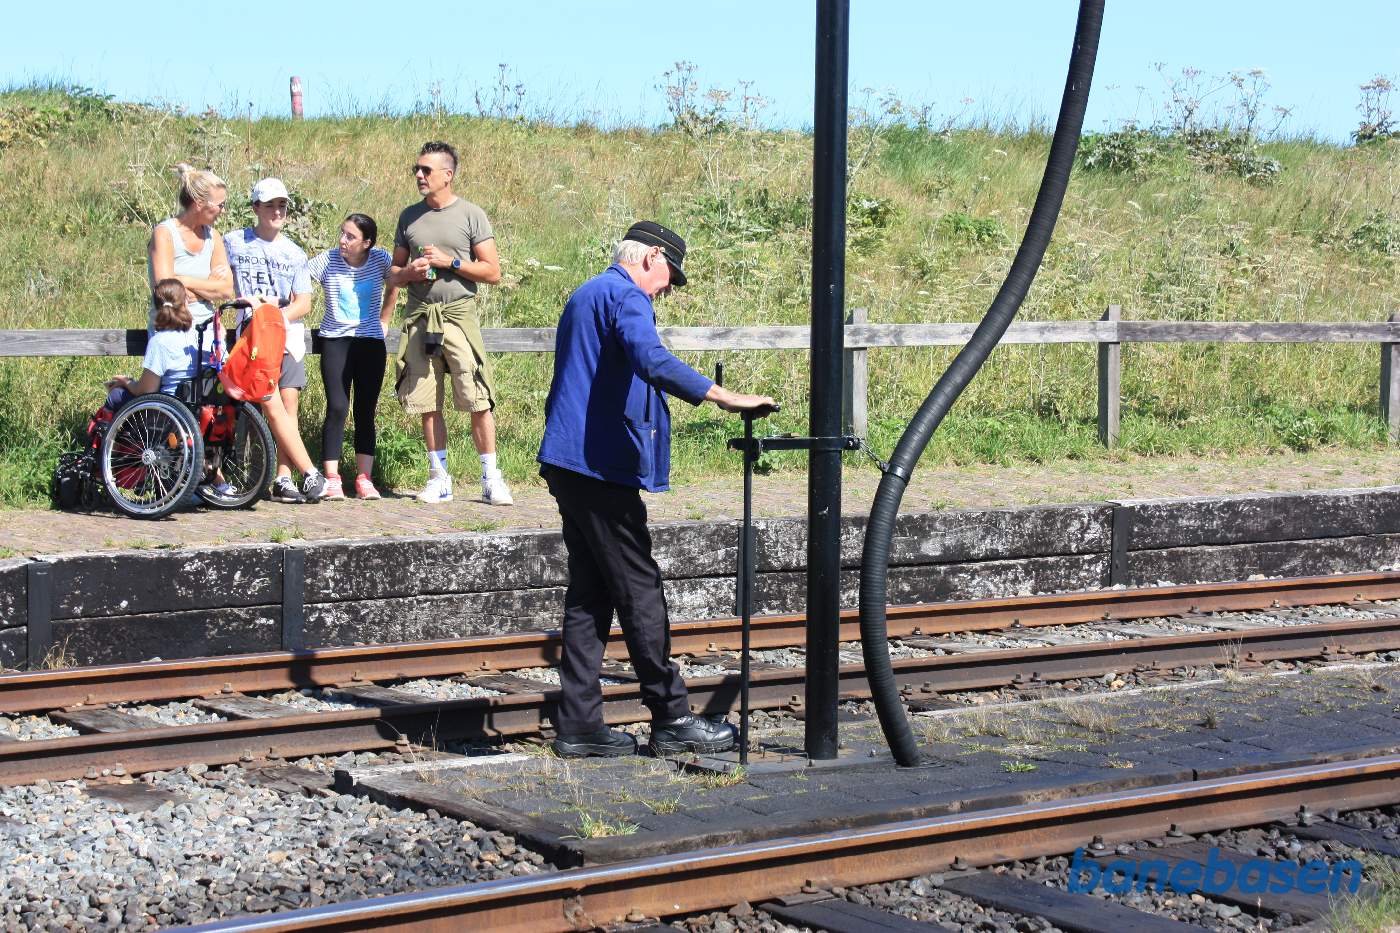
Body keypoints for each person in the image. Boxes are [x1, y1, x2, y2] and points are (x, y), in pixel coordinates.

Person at [537, 221, 777, 758]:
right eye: (670, 275)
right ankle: (671, 719)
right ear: (651, 257)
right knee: (640, 590)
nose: (667, 289)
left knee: (590, 597)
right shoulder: (625, 295)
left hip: (568, 461)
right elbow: (650, 358)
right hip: (598, 467)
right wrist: (722, 395)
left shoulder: (586, 293)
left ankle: (578, 724)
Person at [388, 141, 512, 506]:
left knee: (477, 399)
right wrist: (409, 271)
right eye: (417, 169)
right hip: (420, 318)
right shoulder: (408, 216)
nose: (419, 175)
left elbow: (492, 272)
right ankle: (439, 477)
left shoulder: (472, 215)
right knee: (427, 401)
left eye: (426, 170)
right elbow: (392, 274)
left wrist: (451, 262)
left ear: (448, 175)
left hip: (458, 317)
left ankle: (491, 479)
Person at [224, 177, 326, 503]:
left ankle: (284, 476)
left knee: (288, 403)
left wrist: (275, 318)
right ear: (255, 208)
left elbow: (304, 302)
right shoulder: (233, 242)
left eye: (282, 205)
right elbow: (220, 282)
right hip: (251, 336)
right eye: (270, 205)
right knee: (255, 407)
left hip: (287, 335)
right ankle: (248, 473)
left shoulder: (294, 252)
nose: (277, 211)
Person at [308, 214, 397, 500]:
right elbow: (298, 277)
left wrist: (386, 316)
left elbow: (397, 278)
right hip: (335, 340)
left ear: (367, 243)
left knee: (365, 410)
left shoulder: (380, 259)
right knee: (337, 406)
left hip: (370, 342)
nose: (342, 241)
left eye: (350, 236)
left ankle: (364, 478)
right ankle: (332, 477)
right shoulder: (327, 260)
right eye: (342, 233)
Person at [147, 164, 233, 353]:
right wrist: (208, 286)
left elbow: (226, 289)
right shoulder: (165, 234)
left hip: (209, 330)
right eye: (220, 205)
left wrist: (183, 281)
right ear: (198, 203)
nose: (223, 211)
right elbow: (166, 290)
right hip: (171, 328)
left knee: (215, 382)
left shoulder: (214, 237)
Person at [105, 279, 200, 408]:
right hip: (196, 408)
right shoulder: (198, 335)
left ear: (157, 307)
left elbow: (146, 391)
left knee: (115, 395)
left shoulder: (159, 342)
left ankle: (103, 428)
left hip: (168, 411)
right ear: (186, 302)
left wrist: (126, 381)